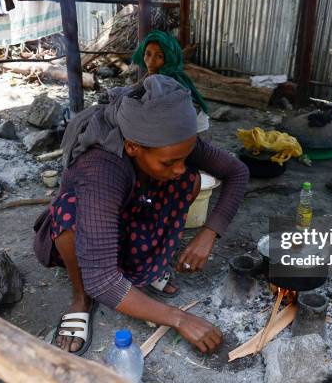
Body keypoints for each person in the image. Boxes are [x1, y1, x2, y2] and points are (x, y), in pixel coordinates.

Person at [33, 75, 249, 355]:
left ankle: (144, 267)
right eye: (170, 161)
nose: (179, 166)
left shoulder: (171, 140)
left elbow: (237, 172)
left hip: (127, 215)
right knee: (68, 214)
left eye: (185, 156)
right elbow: (101, 279)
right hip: (88, 235)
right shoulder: (102, 166)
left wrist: (210, 232)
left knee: (189, 180)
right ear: (133, 146)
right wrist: (179, 318)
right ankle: (80, 299)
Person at [132, 29, 210, 137]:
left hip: (194, 133)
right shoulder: (153, 75)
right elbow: (135, 88)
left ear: (169, 59)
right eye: (148, 54)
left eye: (159, 56)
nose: (151, 61)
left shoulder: (171, 81)